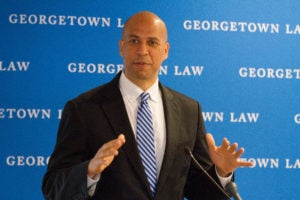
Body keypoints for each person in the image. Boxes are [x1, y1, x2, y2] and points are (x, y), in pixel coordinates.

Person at [42, 11, 253, 200]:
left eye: (152, 42)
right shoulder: (84, 109)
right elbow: (53, 187)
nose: (142, 50)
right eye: (134, 41)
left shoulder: (189, 111)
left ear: (166, 50)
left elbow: (199, 190)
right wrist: (89, 172)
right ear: (121, 47)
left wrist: (221, 174)